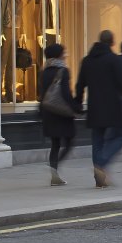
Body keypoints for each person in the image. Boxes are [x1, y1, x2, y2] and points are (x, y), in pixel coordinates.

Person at [75, 30, 122, 188]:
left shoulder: (87, 60)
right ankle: (101, 164)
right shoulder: (113, 60)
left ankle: (99, 176)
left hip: (94, 106)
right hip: (113, 106)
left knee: (97, 139)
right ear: (112, 42)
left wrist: (77, 102)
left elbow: (80, 84)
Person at [39, 43, 78, 186]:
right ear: (58, 55)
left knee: (55, 144)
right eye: (64, 52)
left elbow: (42, 94)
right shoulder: (63, 70)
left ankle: (54, 174)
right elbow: (66, 93)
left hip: (48, 111)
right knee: (69, 142)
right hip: (61, 112)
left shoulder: (44, 70)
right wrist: (76, 107)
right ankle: (54, 169)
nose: (65, 54)